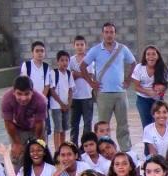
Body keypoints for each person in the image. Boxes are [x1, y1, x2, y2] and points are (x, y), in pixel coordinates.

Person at [82, 22, 136, 151]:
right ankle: (103, 150)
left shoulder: (122, 49)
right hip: (103, 94)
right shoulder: (96, 50)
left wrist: (128, 79)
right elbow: (83, 66)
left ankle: (125, 149)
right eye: (106, 32)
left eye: (111, 32)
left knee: (123, 124)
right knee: (103, 126)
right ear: (103, 34)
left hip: (120, 93)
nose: (109, 35)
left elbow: (133, 63)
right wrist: (91, 83)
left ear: (115, 34)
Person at [1, 75, 47, 162]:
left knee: (40, 154)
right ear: (14, 92)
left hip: (35, 127)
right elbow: (8, 123)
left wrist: (38, 142)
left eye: (27, 94)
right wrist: (16, 143)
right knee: (17, 158)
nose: (23, 98)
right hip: (17, 128)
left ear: (32, 92)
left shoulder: (41, 100)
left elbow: (39, 123)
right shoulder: (6, 98)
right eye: (19, 94)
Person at [68, 35, 96, 143]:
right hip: (74, 97)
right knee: (74, 124)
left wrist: (76, 73)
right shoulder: (70, 60)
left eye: (82, 44)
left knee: (87, 123)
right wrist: (83, 74)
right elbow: (70, 76)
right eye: (77, 45)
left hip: (87, 96)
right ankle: (73, 145)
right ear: (74, 46)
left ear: (85, 46)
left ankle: (85, 145)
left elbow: (90, 75)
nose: (79, 47)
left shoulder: (89, 60)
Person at [49, 50, 74, 152]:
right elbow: (52, 90)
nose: (64, 62)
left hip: (66, 105)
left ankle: (62, 147)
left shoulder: (69, 73)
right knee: (58, 128)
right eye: (62, 60)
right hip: (56, 106)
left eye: (66, 60)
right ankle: (57, 150)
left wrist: (69, 103)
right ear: (57, 61)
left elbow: (70, 89)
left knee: (64, 128)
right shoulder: (53, 73)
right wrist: (61, 104)